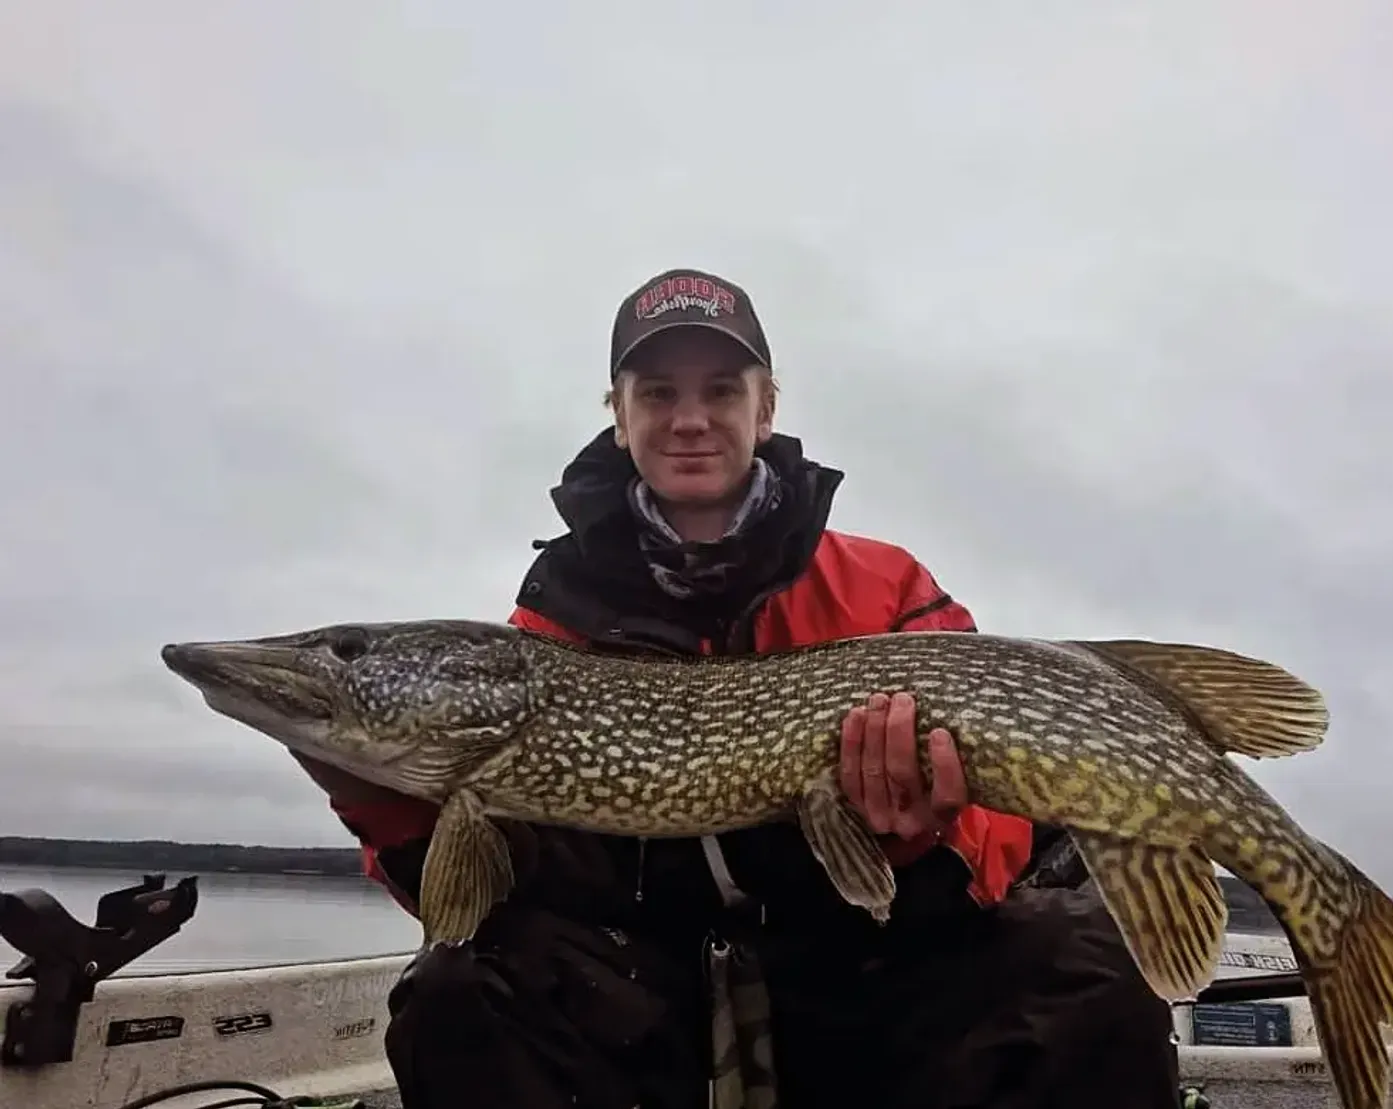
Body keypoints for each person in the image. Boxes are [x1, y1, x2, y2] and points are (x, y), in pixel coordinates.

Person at [296, 267, 1182, 1109]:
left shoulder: (885, 590)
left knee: (1083, 967)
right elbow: (496, 896)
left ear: (766, 409)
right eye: (657, 393)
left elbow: (1004, 838)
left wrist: (922, 841)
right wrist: (378, 796)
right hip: (650, 993)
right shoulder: (550, 628)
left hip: (862, 975)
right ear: (619, 417)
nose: (690, 419)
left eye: (720, 390)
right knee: (458, 990)